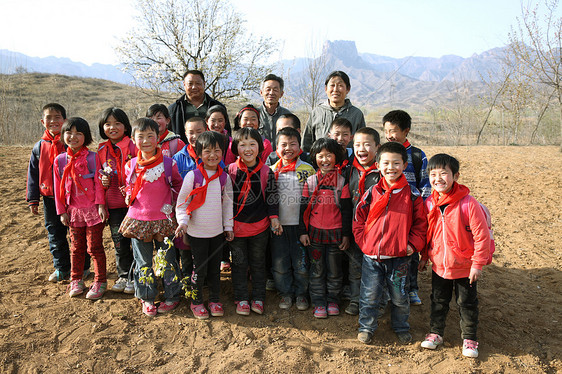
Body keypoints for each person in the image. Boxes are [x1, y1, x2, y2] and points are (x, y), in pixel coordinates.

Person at [353, 142, 427, 345]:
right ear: (377, 165)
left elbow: (421, 224)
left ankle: (401, 326)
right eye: (386, 163)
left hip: (400, 258)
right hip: (372, 258)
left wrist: (412, 245)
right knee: (369, 296)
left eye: (396, 163)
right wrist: (364, 243)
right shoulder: (372, 192)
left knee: (400, 296)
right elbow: (358, 219)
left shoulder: (412, 195)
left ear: (404, 165)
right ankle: (366, 327)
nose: (391, 167)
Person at [419, 153, 490, 358]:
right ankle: (436, 333)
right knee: (438, 301)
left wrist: (477, 264)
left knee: (467, 303)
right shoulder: (430, 204)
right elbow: (428, 234)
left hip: (465, 267)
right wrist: (425, 256)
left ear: (456, 176)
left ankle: (469, 338)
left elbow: (481, 236)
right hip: (439, 265)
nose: (438, 178)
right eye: (433, 174)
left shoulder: (468, 203)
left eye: (444, 173)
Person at [119, 118, 183, 317]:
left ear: (158, 139)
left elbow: (179, 187)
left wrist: (172, 208)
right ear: (133, 139)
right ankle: (147, 297)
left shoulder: (168, 163)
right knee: (143, 262)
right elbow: (129, 189)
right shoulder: (130, 165)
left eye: (150, 136)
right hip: (138, 221)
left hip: (164, 221)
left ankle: (173, 295)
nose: (145, 141)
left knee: (168, 260)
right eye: (141, 137)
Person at [27, 103, 90, 282]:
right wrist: (33, 199)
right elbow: (33, 174)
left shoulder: (71, 142)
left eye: (57, 117)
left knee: (77, 233)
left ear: (65, 120)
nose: (53, 121)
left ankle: (83, 268)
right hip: (49, 198)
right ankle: (61, 268)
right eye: (49, 118)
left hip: (73, 198)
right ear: (42, 121)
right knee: (55, 233)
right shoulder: (39, 146)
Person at [175, 131, 234, 319]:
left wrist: (228, 227)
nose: (213, 155)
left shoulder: (224, 178)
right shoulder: (192, 177)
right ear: (199, 153)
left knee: (215, 270)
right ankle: (197, 301)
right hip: (196, 233)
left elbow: (228, 205)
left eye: (217, 150)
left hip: (216, 233)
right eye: (207, 151)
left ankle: (215, 300)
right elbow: (182, 203)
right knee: (199, 270)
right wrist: (183, 223)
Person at [227, 128, 281, 316]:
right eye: (242, 145)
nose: (247, 149)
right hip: (236, 229)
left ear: (260, 148)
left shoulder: (267, 171)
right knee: (239, 264)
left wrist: (274, 218)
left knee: (258, 264)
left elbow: (272, 197)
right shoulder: (231, 171)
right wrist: (227, 225)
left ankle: (259, 298)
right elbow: (226, 201)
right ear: (235, 148)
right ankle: (241, 297)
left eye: (252, 144)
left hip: (260, 228)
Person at [53, 117, 108, 300]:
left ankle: (100, 281)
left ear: (87, 137)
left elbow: (99, 184)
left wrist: (101, 205)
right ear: (63, 135)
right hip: (73, 212)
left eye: (79, 133)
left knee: (95, 247)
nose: (73, 137)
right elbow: (57, 187)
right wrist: (61, 211)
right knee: (76, 248)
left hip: (93, 211)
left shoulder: (92, 158)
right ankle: (76, 279)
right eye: (69, 132)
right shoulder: (60, 161)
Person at [382, 109, 431, 306]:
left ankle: (412, 289)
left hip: (411, 212)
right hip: (389, 212)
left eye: (393, 131)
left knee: (411, 251)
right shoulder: (383, 153)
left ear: (406, 131)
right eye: (386, 131)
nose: (389, 135)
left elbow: (426, 185)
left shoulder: (418, 155)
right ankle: (389, 289)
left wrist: (420, 210)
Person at [299, 138, 352, 319]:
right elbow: (303, 209)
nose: (325, 159)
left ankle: (333, 301)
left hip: (336, 234)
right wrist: (303, 232)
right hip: (314, 234)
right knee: (317, 270)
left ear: (336, 157)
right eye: (320, 156)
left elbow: (346, 211)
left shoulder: (342, 182)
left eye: (329, 155)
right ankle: (319, 303)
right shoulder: (311, 181)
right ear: (315, 158)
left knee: (335, 270)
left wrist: (346, 235)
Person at [270, 127, 315, 311]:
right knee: (280, 263)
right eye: (283, 144)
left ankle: (302, 294)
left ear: (300, 146)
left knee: (302, 264)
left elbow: (314, 199)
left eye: (293, 144)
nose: (288, 148)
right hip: (278, 226)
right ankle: (286, 293)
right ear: (276, 147)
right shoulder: (271, 170)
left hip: (300, 226)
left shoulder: (307, 169)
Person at [97, 108, 137, 294]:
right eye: (108, 124)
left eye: (117, 123)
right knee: (119, 242)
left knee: (136, 242)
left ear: (125, 126)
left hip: (134, 205)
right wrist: (103, 185)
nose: (112, 127)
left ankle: (136, 276)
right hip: (113, 204)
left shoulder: (134, 146)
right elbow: (98, 178)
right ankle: (123, 276)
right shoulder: (101, 150)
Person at [343, 127, 381, 316]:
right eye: (357, 144)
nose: (361, 149)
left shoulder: (383, 172)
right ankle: (356, 299)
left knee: (376, 270)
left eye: (367, 144)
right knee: (355, 266)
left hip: (377, 231)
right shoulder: (350, 170)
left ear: (377, 147)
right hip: (355, 229)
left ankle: (376, 303)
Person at [302, 71, 366, 152]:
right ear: (326, 88)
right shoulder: (317, 112)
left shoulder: (356, 114)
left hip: (348, 161)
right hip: (321, 161)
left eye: (340, 86)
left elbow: (362, 140)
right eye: (332, 85)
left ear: (348, 89)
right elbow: (307, 141)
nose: (335, 89)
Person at [168, 70, 226, 144]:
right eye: (190, 84)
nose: (194, 87)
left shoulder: (217, 107)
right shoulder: (174, 109)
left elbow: (226, 133)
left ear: (204, 84)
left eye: (198, 83)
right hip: (182, 152)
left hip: (212, 151)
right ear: (184, 85)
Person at [258, 74, 292, 144]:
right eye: (268, 89)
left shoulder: (288, 115)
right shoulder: (255, 114)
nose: (271, 93)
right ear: (261, 92)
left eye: (275, 90)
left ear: (281, 94)